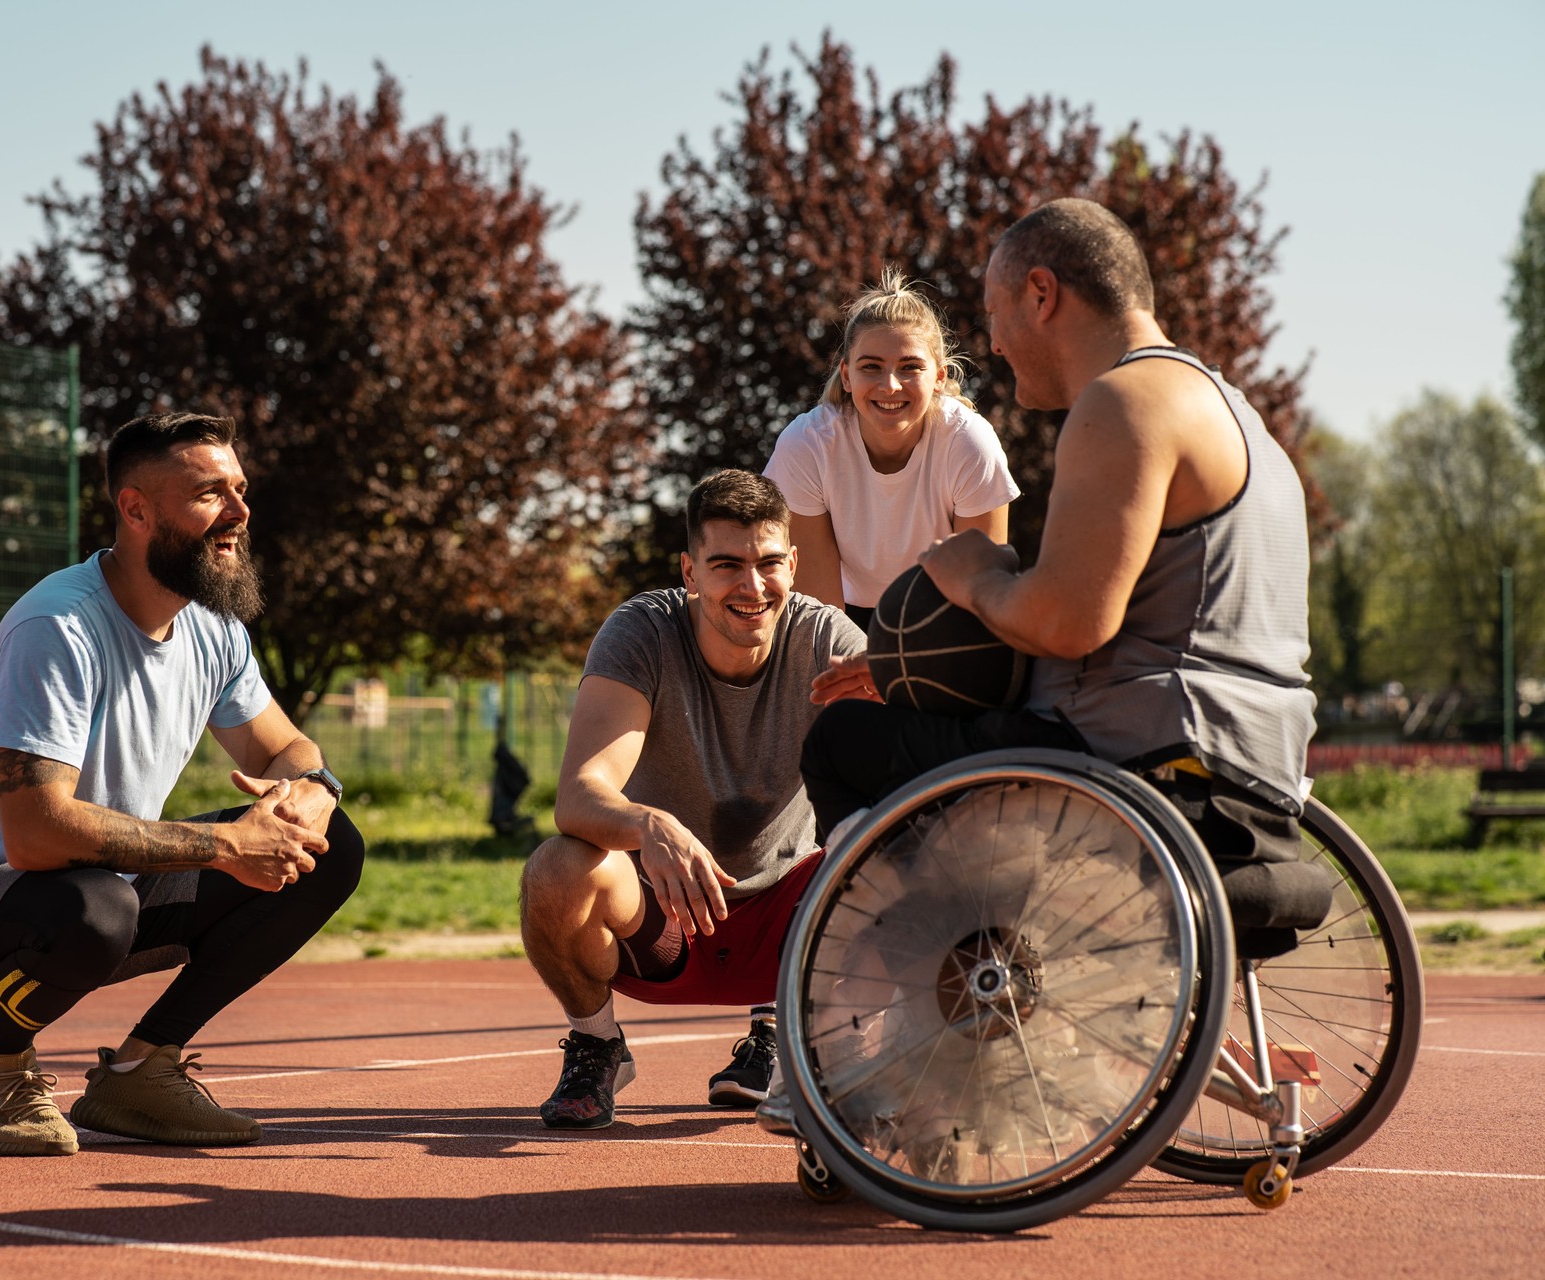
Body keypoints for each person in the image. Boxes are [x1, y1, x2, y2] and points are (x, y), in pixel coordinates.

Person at [799, 197, 1320, 963]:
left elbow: (1071, 625)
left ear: (1041, 294)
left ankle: (924, 971)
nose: (997, 345)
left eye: (996, 313)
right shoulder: (1237, 414)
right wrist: (901, 669)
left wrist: (976, 575)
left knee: (840, 742)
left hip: (1142, 758)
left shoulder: (1122, 402)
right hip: (1264, 767)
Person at [0, 411, 364, 1157]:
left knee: (327, 845)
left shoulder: (214, 627)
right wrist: (224, 843)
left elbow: (286, 747)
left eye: (241, 489)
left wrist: (313, 790)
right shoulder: (59, 627)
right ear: (136, 508)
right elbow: (36, 832)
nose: (240, 511)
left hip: (101, 884)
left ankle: (143, 1070)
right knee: (95, 908)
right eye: (210, 494)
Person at [518, 469, 866, 1129]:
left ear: (793, 564)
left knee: (886, 854)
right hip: (669, 920)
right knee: (557, 869)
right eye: (727, 565)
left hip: (788, 924)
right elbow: (578, 795)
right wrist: (652, 825)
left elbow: (891, 778)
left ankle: (791, 1035)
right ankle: (596, 1046)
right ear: (690, 570)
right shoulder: (642, 633)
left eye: (769, 563)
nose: (752, 585)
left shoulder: (827, 641)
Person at [764, 267, 1020, 632]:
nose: (890, 385)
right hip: (845, 614)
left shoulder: (969, 443)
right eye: (871, 367)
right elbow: (822, 618)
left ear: (939, 377)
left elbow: (980, 596)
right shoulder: (806, 445)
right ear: (847, 375)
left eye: (910, 367)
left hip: (943, 615)